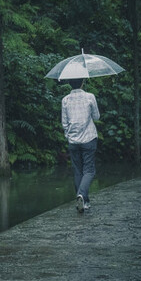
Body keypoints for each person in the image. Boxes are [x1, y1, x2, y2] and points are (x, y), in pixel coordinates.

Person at [61, 77, 100, 213]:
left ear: (70, 84)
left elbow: (64, 123)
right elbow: (96, 117)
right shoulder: (90, 97)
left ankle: (85, 201)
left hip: (73, 141)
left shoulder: (65, 100)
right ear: (83, 82)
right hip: (89, 138)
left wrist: (69, 136)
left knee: (78, 171)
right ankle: (82, 195)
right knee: (89, 170)